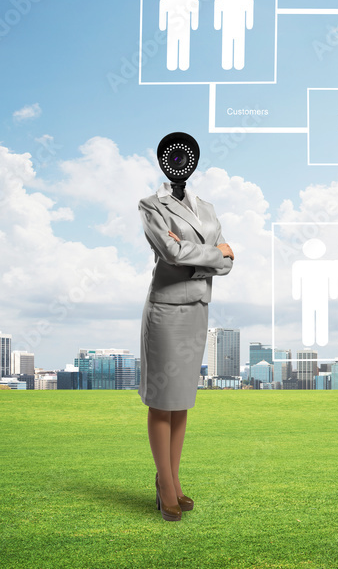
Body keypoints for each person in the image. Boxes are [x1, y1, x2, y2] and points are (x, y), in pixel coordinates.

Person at [138, 132, 234, 521]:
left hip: (197, 309)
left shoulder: (207, 208)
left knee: (182, 401)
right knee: (163, 401)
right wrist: (212, 255)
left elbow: (228, 262)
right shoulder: (150, 205)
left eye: (185, 157)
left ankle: (173, 482)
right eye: (173, 157)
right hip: (165, 312)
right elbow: (170, 251)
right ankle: (164, 485)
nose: (179, 163)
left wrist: (199, 256)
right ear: (164, 161)